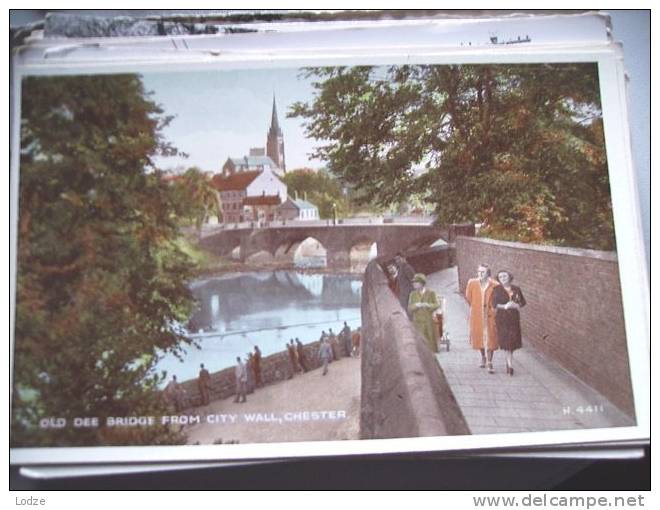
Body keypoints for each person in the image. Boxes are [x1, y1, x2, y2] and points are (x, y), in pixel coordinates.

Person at [491, 270, 527, 376]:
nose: (503, 278)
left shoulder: (516, 289)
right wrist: (505, 306)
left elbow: (523, 302)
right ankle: (509, 364)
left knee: (512, 343)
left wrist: (516, 305)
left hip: (513, 319)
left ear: (509, 277)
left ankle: (509, 363)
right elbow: (494, 304)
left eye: (505, 276)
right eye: (500, 277)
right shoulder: (496, 289)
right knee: (507, 343)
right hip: (502, 319)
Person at [465, 263, 499, 373]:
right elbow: (468, 298)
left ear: (488, 273)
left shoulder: (495, 285)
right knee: (479, 337)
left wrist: (494, 310)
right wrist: (476, 307)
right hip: (477, 315)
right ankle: (483, 356)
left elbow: (498, 299)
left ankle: (490, 362)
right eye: (479, 271)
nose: (480, 274)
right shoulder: (472, 283)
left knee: (491, 339)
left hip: (489, 316)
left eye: (483, 272)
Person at [407, 273, 441, 353]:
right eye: (413, 283)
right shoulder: (413, 294)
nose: (414, 284)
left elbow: (437, 305)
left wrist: (428, 305)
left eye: (416, 282)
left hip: (429, 321)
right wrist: (416, 306)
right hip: (418, 322)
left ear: (422, 283)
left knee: (431, 345)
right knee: (420, 346)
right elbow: (409, 308)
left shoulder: (431, 293)